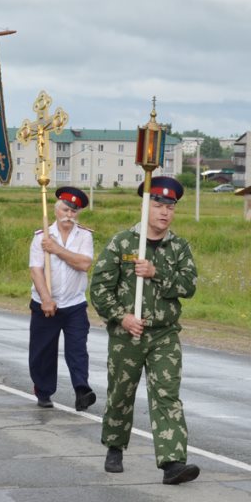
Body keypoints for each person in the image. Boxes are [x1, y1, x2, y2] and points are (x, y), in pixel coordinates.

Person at [90, 176, 200, 485]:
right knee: (121, 394)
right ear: (145, 206)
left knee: (167, 396)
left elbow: (188, 286)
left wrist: (157, 272)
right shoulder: (123, 242)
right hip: (128, 335)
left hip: (164, 334)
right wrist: (121, 317)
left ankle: (173, 463)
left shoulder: (178, 247)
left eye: (171, 207)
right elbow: (100, 289)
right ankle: (114, 446)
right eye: (159, 205)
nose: (165, 212)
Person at [28, 187, 96, 410]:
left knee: (77, 349)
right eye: (66, 209)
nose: (69, 215)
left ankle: (81, 390)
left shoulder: (84, 235)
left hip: (74, 303)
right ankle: (44, 391)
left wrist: (57, 250)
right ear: (57, 210)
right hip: (45, 303)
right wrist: (46, 298)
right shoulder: (41, 237)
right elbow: (36, 271)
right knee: (43, 351)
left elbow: (84, 263)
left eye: (74, 212)